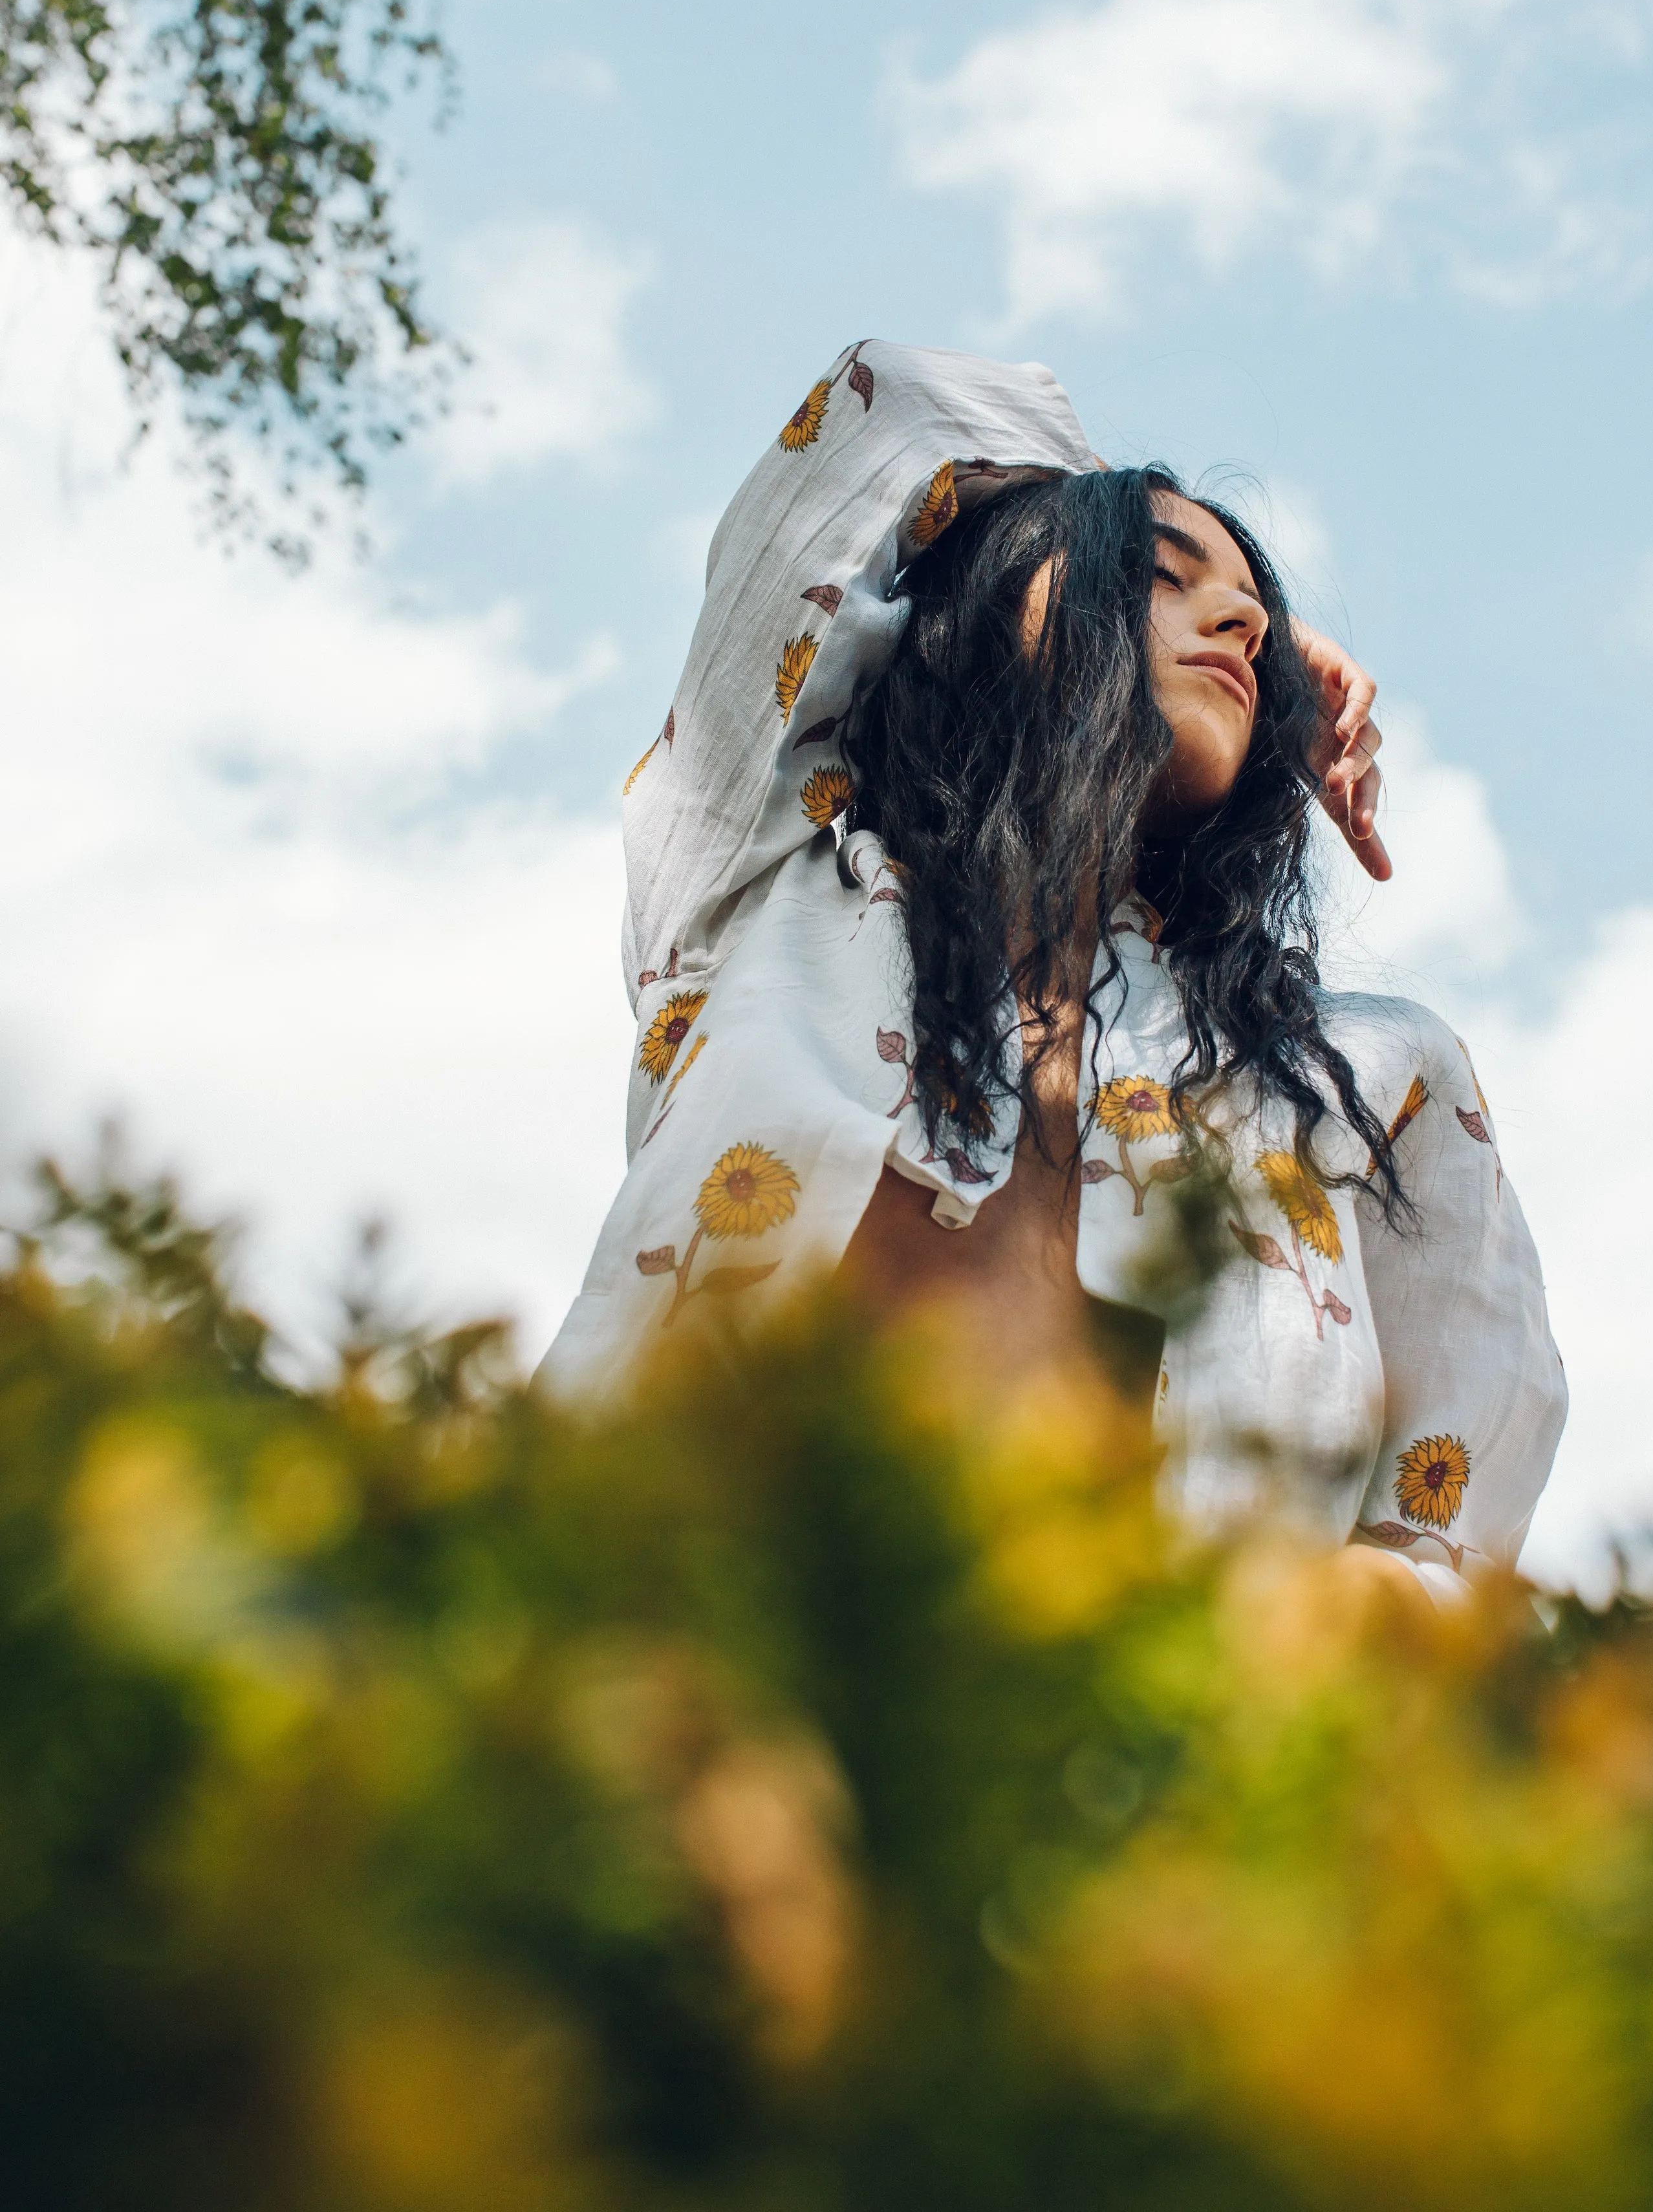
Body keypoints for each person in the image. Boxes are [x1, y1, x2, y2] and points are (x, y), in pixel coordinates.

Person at [543, 341, 1565, 1585]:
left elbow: (1448, 1531)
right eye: (1158, 576)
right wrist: (1114, 533)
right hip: (645, 1699)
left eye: (1252, 607)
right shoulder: (764, 885)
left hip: (1124, 1755)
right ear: (985, 607)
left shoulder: (1369, 1074)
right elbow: (887, 406)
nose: (1238, 620)